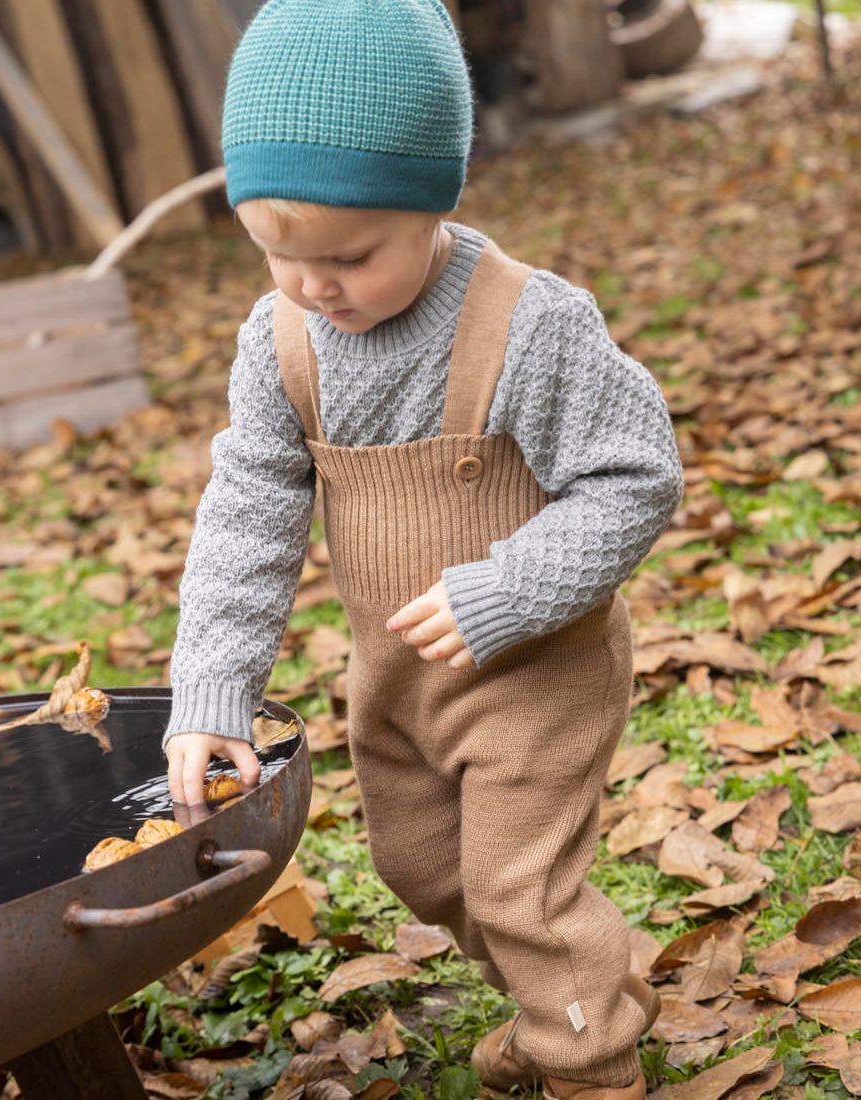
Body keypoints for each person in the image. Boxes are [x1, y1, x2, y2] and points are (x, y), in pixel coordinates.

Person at [163, 2, 683, 1097]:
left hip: (534, 665)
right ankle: (576, 997)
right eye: (274, 252)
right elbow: (248, 512)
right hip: (397, 678)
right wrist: (213, 692)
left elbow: (636, 473)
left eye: (348, 253)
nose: (312, 285)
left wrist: (511, 588)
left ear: (432, 199)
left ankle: (589, 1058)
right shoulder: (283, 341)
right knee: (423, 870)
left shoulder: (528, 325)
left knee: (515, 884)